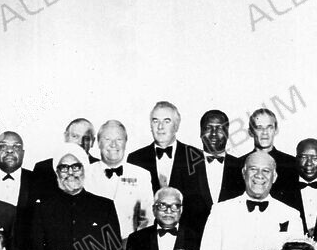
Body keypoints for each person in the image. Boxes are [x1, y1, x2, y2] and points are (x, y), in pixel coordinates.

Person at [26, 154, 121, 250]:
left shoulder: (104, 207)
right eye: (64, 168)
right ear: (57, 173)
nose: (70, 173)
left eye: (76, 167)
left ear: (84, 171)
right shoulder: (43, 208)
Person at [172, 109, 246, 237]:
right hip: (192, 241)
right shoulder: (183, 167)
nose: (213, 134)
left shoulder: (240, 167)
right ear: (200, 132)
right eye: (208, 128)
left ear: (228, 133)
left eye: (219, 128)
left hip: (231, 239)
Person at [85, 120, 156, 239]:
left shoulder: (142, 175)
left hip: (129, 245)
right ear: (98, 142)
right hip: (93, 245)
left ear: (126, 142)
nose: (113, 144)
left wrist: (135, 243)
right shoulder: (85, 173)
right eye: (107, 139)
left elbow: (148, 218)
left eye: (119, 139)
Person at [126, 101, 202, 193]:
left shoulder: (196, 157)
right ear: (151, 126)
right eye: (155, 121)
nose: (160, 127)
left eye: (166, 121)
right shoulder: (135, 159)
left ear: (176, 126)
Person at [277, 138, 317, 237]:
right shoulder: (282, 190)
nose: (309, 163)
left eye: (315, 158)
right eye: (303, 157)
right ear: (296, 159)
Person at [32, 118, 97, 201]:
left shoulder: (101, 168)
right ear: (65, 137)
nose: (80, 142)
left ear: (93, 141)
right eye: (75, 136)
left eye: (86, 138)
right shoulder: (43, 168)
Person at [244, 108, 298, 192]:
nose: (265, 132)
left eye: (270, 127)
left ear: (276, 130)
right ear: (250, 132)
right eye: (259, 128)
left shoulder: (292, 164)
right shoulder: (239, 163)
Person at [0, 131, 34, 210]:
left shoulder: (36, 180)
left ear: (23, 153)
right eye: (3, 146)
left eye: (16, 147)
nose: (10, 150)